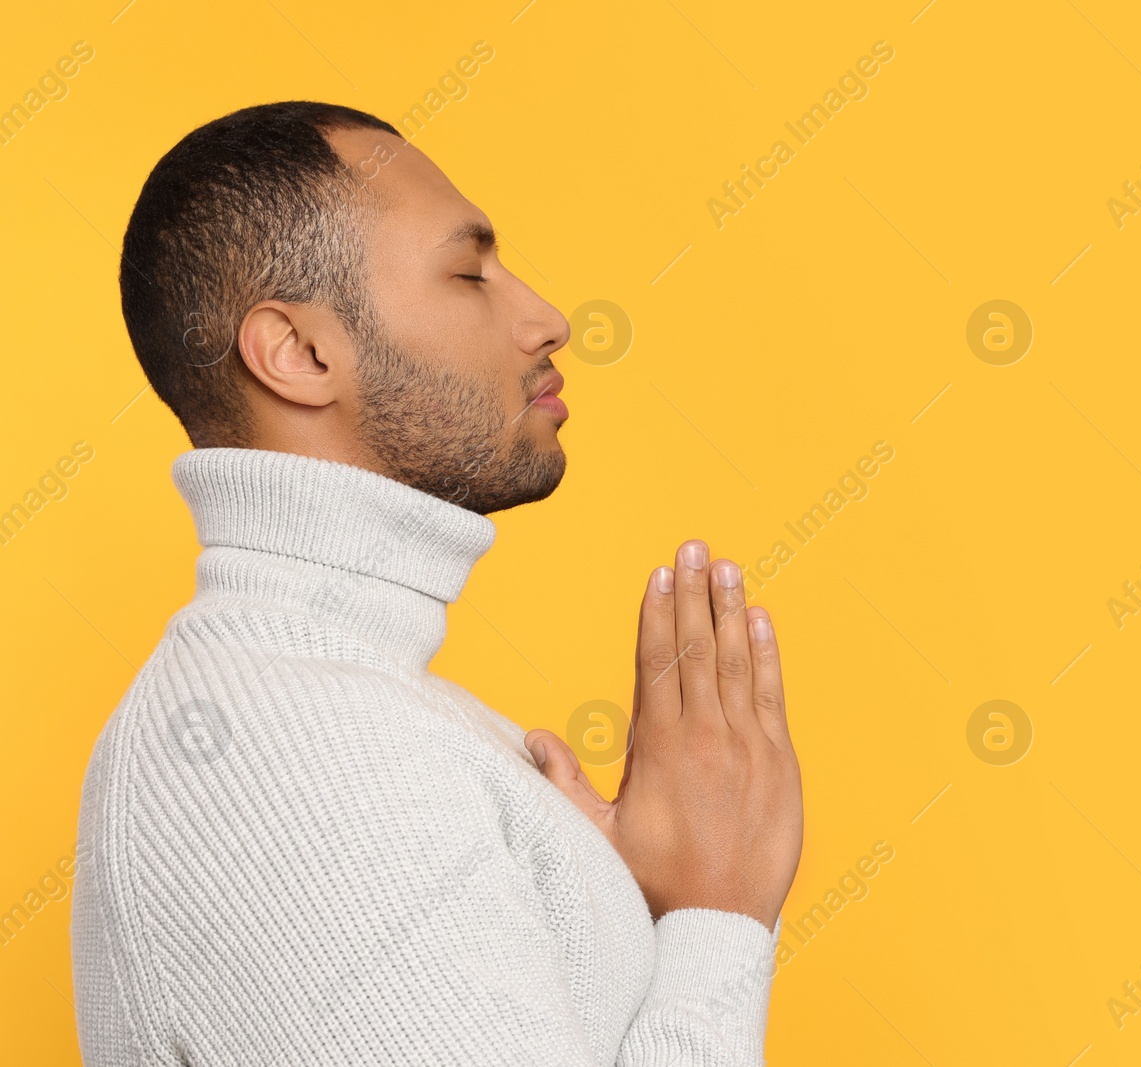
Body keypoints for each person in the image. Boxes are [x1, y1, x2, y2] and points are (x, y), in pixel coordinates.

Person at [70, 101, 803, 1066]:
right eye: (469, 273)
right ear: (299, 353)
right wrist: (718, 915)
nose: (547, 318)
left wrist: (634, 905)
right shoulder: (296, 753)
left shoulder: (374, 714)